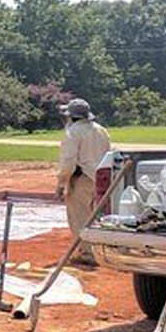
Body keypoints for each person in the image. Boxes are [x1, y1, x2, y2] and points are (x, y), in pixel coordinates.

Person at [56, 97, 111, 268]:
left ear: (71, 116)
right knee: (97, 216)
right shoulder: (101, 130)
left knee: (80, 217)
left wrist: (61, 183)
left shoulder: (72, 132)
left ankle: (88, 253)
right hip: (101, 179)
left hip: (81, 179)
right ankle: (101, 250)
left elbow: (68, 162)